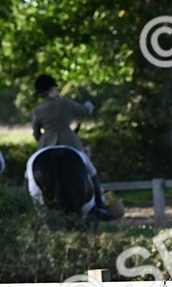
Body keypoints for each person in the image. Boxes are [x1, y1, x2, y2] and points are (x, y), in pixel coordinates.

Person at [31, 73, 113, 218]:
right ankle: (99, 204)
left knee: (29, 173)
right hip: (69, 141)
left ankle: (28, 205)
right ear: (51, 89)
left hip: (46, 144)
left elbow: (36, 134)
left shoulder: (37, 110)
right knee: (90, 169)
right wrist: (91, 102)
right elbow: (84, 111)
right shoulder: (63, 102)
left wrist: (44, 142)